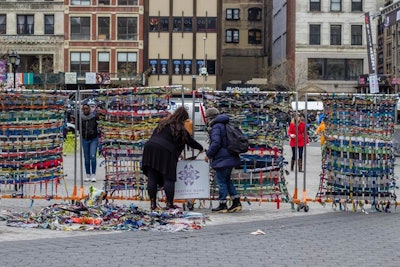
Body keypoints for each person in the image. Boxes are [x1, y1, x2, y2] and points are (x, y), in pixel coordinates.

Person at [141, 106, 204, 210]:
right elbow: (190, 141)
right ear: (184, 118)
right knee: (169, 178)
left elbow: (156, 137)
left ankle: (153, 204)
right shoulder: (180, 128)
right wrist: (201, 148)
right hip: (165, 152)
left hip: (150, 148)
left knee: (152, 178)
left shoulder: (163, 123)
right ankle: (169, 204)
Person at [204, 107, 242, 213]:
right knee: (227, 180)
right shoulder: (226, 124)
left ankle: (222, 204)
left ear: (210, 118)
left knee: (221, 181)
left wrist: (208, 154)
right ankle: (236, 202)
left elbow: (216, 143)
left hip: (222, 158)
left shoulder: (216, 127)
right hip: (230, 156)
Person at [80, 101, 99, 182]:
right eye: (84, 109)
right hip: (85, 139)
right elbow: (78, 128)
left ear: (89, 109)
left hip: (93, 138)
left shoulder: (94, 117)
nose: (85, 110)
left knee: (92, 156)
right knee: (86, 158)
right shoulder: (81, 118)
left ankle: (93, 174)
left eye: (87, 109)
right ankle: (88, 174)